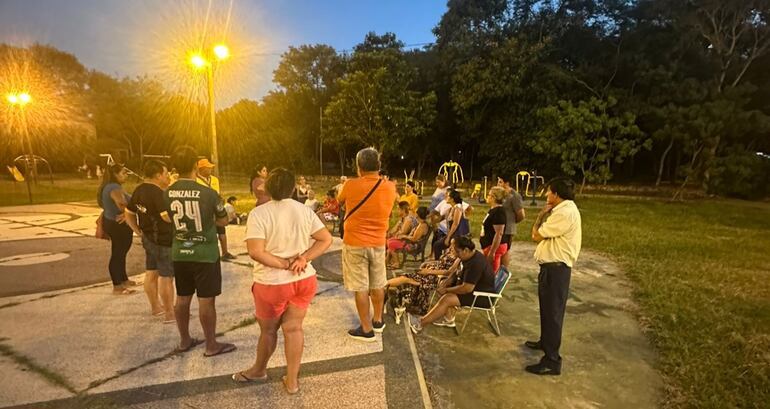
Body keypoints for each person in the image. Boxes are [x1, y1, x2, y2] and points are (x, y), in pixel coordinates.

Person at [233, 168, 332, 394]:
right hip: (303, 279)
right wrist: (303, 258)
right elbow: (325, 239)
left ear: (268, 187)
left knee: (268, 331)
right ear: (293, 188)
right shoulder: (304, 210)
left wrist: (283, 264)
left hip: (272, 283)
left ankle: (259, 370)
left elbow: (256, 251)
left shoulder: (259, 213)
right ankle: (293, 382)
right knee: (294, 328)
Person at [166, 146, 236, 357]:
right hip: (205, 252)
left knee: (183, 297)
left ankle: (184, 340)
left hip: (180, 251)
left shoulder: (167, 192)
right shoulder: (208, 193)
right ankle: (211, 345)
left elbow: (168, 217)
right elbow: (222, 219)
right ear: (196, 165)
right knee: (206, 299)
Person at [337, 147, 398, 341]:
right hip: (379, 242)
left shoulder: (350, 184)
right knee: (378, 283)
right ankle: (378, 320)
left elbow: (340, 200)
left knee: (361, 286)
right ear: (379, 166)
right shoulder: (390, 187)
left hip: (355, 243)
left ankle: (366, 329)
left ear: (359, 166)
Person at [525, 177, 582, 376]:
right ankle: (545, 342)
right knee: (547, 310)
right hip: (551, 268)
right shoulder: (562, 210)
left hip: (557, 270)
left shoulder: (564, 212)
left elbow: (536, 235)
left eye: (549, 192)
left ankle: (552, 360)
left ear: (556, 194)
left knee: (553, 313)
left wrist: (540, 216)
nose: (547, 195)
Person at [408, 236, 496, 333]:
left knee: (447, 299)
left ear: (465, 250)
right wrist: (445, 284)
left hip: (481, 295)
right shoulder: (466, 256)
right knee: (443, 285)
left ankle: (420, 323)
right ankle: (449, 320)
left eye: (456, 250)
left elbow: (467, 288)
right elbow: (455, 273)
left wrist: (446, 290)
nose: (453, 252)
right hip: (471, 288)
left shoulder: (476, 264)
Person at [124, 160, 175, 323]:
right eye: (166, 174)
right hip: (162, 239)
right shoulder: (157, 193)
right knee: (166, 276)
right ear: (158, 175)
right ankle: (170, 313)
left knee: (151, 272)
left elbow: (128, 212)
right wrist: (180, 222)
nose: (167, 177)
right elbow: (166, 216)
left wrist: (137, 230)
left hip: (148, 238)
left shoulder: (139, 190)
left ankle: (156, 307)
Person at [386, 239, 461, 317]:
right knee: (406, 277)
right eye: (451, 244)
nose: (451, 247)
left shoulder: (458, 258)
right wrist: (427, 263)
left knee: (406, 279)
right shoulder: (449, 251)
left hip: (435, 277)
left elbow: (448, 272)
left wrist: (428, 271)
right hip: (430, 271)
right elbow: (440, 262)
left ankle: (383, 286)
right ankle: (384, 287)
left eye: (453, 245)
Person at [97, 164, 137, 295]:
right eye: (123, 173)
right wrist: (128, 213)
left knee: (121, 252)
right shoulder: (113, 187)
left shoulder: (111, 186)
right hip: (117, 224)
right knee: (118, 253)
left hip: (114, 223)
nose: (126, 175)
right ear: (115, 174)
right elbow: (121, 204)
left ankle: (123, 279)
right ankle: (117, 286)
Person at [196, 159, 234, 260]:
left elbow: (217, 193)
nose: (210, 169)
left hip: (215, 207)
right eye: (208, 168)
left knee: (222, 231)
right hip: (204, 209)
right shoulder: (196, 180)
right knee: (207, 232)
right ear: (202, 169)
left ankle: (225, 252)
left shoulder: (214, 180)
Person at [431, 190, 470, 260]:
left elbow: (455, 224)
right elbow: (441, 218)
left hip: (458, 235)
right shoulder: (451, 208)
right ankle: (438, 262)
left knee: (439, 246)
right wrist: (431, 220)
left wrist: (448, 237)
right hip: (452, 234)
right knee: (437, 245)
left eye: (448, 196)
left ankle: (444, 264)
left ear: (452, 199)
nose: (446, 197)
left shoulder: (458, 208)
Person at [479, 186, 510, 273]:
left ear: (493, 197)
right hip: (488, 245)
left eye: (489, 195)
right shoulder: (493, 210)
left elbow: (499, 233)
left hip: (493, 247)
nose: (487, 197)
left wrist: (492, 252)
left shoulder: (499, 212)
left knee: (492, 272)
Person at [498, 176, 526, 268]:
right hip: (499, 226)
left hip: (508, 228)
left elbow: (521, 214)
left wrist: (512, 222)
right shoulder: (501, 194)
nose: (498, 184)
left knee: (505, 250)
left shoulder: (514, 196)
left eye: (500, 182)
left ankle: (503, 272)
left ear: (507, 183)